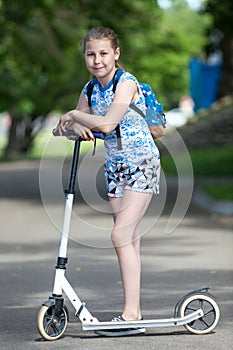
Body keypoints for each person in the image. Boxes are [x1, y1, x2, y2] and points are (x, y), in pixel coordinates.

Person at [55, 26, 161, 336]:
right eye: (91, 54)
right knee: (129, 240)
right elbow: (63, 129)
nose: (97, 60)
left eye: (103, 53)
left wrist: (76, 115)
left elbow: (108, 122)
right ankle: (135, 312)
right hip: (115, 168)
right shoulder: (89, 90)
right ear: (85, 57)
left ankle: (130, 316)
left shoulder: (125, 83)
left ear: (116, 54)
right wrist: (74, 124)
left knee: (119, 235)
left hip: (141, 163)